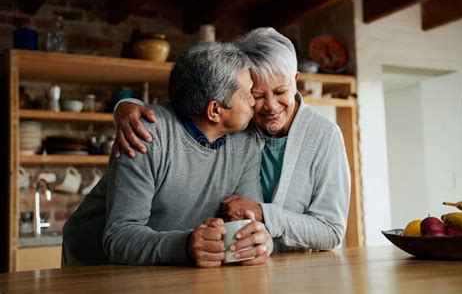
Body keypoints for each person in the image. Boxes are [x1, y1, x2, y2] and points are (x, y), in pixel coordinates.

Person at [114, 28, 350, 252]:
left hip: (287, 266)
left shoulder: (324, 136)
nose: (270, 106)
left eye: (280, 92)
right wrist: (126, 107)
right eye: (255, 95)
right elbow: (192, 102)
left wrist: (262, 214)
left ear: (295, 79)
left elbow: (331, 230)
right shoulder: (239, 127)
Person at [62, 41, 272, 268]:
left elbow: (246, 221)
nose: (255, 100)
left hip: (169, 264)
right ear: (214, 110)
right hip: (93, 263)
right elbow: (119, 237)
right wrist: (185, 246)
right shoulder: (145, 133)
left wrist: (260, 242)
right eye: (247, 94)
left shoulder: (246, 142)